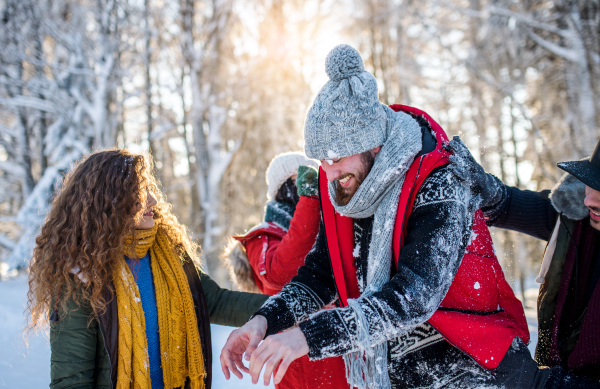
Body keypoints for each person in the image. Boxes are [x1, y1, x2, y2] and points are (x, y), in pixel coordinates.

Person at [219, 44, 578, 389]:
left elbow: (413, 296)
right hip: (403, 375)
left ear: (373, 144)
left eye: (337, 157)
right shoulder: (343, 189)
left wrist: (307, 338)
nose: (328, 172)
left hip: (475, 367)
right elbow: (319, 275)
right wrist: (263, 321)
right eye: (321, 160)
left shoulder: (439, 180)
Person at [26, 149, 268, 389]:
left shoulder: (168, 253)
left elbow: (216, 302)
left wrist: (286, 307)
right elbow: (72, 380)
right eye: (140, 193)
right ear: (110, 202)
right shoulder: (81, 274)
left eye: (150, 189)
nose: (152, 200)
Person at [449, 136, 600, 382]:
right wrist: (492, 195)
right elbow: (533, 210)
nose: (588, 200)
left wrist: (536, 382)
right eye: (591, 181)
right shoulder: (581, 219)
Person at [222, 151, 349, 389]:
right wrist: (310, 200)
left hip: (339, 357)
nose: (308, 185)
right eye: (297, 180)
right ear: (282, 188)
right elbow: (283, 271)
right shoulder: (262, 236)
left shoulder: (329, 225)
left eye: (313, 179)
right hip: (301, 370)